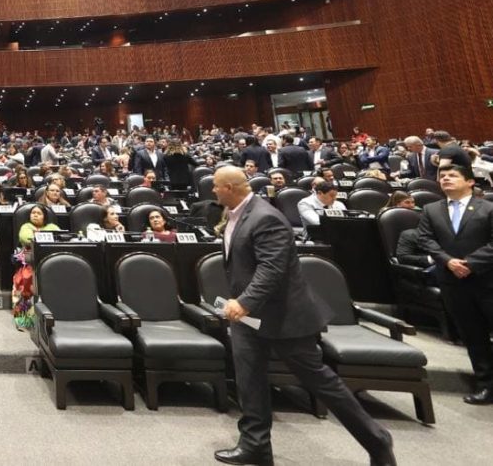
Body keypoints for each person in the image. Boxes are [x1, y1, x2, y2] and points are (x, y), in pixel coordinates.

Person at [210, 167, 394, 466]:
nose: (213, 191)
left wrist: (244, 302)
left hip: (284, 316)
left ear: (230, 187)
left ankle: (376, 438)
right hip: (248, 318)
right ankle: (255, 444)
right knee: (249, 381)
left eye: (216, 186)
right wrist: (243, 306)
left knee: (320, 381)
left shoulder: (266, 217)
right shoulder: (234, 214)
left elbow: (272, 269)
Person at [415, 163, 493, 405]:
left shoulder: (488, 208)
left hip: (486, 280)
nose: (446, 178)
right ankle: (486, 385)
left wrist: (471, 263)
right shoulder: (431, 209)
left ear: (470, 181)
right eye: (443, 176)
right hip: (452, 282)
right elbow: (424, 239)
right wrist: (448, 261)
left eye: (453, 175)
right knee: (473, 336)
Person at [13, 205, 57, 330]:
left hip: (50, 260)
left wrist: (38, 234)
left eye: (39, 213)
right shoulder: (26, 227)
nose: (35, 215)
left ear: (45, 217)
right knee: (25, 280)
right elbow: (26, 239)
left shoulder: (52, 227)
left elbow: (58, 238)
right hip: (30, 262)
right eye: (33, 213)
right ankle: (24, 320)